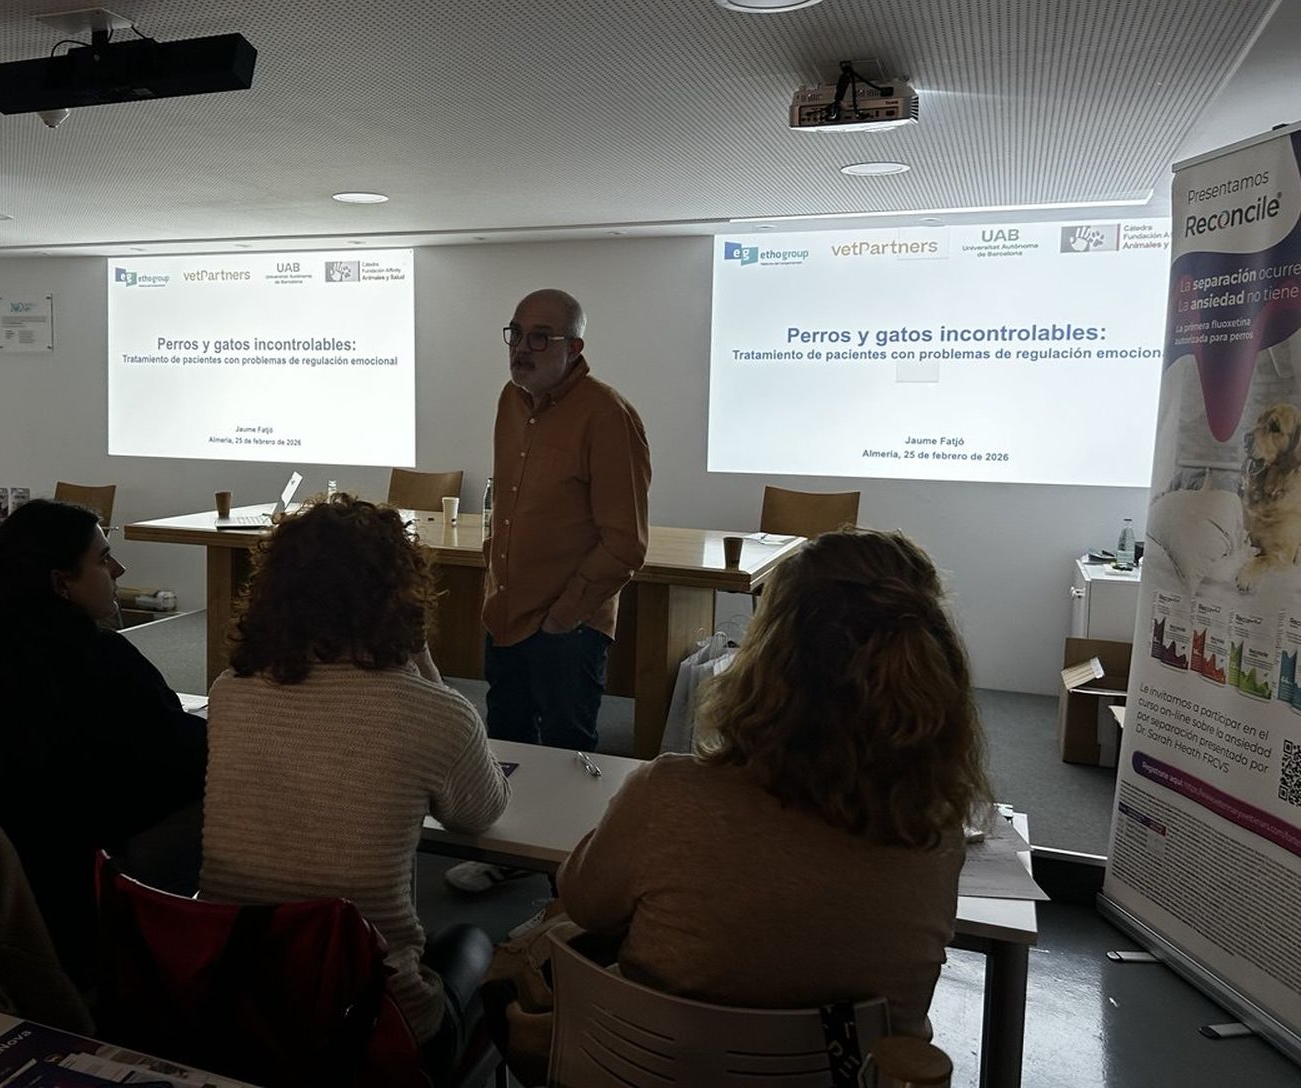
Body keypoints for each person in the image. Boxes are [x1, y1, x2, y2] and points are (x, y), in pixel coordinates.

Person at [555, 529, 991, 1039]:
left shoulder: (668, 794)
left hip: (658, 1070)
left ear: (767, 654)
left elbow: (583, 902)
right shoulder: (934, 832)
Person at [199, 495, 510, 1082]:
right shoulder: (434, 714)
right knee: (473, 939)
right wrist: (419, 656)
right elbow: (481, 811)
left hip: (238, 1002)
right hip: (371, 1028)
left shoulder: (231, 691)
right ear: (402, 593)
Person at [0, 499, 207, 984]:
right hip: (72, 890)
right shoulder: (96, 658)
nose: (118, 570)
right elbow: (184, 759)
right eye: (103, 559)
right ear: (61, 583)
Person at [447, 287, 650, 894]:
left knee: (569, 758)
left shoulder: (608, 415)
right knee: (505, 743)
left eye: (541, 337)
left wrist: (564, 617)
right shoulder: (510, 402)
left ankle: (576, 887)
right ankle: (509, 854)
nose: (523, 349)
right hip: (506, 611)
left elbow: (625, 542)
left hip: (568, 623)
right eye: (516, 333)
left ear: (574, 346)